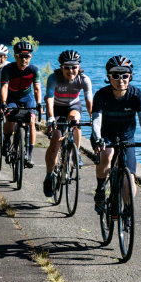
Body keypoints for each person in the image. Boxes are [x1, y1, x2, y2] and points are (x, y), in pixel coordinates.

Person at [88, 55, 141, 215]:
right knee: (108, 153)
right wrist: (98, 139)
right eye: (115, 76)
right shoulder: (101, 95)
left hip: (126, 137)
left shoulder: (136, 95)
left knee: (129, 180)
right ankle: (101, 188)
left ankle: (127, 210)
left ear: (130, 76)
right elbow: (96, 120)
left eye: (124, 75)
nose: (120, 80)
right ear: (108, 77)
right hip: (104, 136)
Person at [42, 49, 94, 199]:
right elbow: (49, 99)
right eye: (67, 67)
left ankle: (76, 152)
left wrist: (92, 118)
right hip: (56, 108)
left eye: (74, 67)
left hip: (73, 106)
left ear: (79, 66)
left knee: (74, 121)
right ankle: (49, 175)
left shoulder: (84, 79)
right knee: (55, 142)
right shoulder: (54, 78)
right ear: (61, 67)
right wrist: (51, 117)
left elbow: (89, 101)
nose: (71, 70)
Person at [0, 40, 43, 165]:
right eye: (21, 56)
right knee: (10, 119)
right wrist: (3, 102)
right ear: (15, 55)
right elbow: (4, 87)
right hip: (11, 97)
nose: (24, 59)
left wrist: (39, 102)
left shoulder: (34, 70)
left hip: (27, 97)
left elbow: (37, 88)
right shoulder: (8, 69)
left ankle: (29, 155)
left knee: (32, 122)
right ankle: (7, 141)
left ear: (31, 57)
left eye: (27, 56)